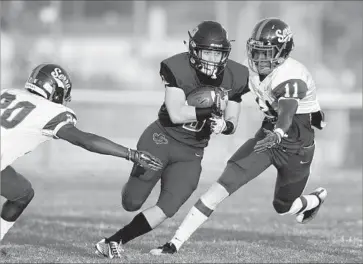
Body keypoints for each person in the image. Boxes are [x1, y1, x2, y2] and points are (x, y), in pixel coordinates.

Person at [150, 17, 328, 255]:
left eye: (267, 53)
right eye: (256, 51)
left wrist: (280, 131)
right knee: (222, 185)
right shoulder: (250, 69)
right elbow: (225, 84)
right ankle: (174, 244)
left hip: (296, 146)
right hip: (266, 138)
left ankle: (313, 200)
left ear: (283, 52)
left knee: (283, 207)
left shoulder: (292, 75)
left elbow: (287, 110)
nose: (260, 59)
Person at [95, 20, 250, 259]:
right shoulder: (178, 67)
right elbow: (176, 113)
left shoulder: (236, 74)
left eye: (217, 54)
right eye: (207, 52)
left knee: (169, 207)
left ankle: (113, 241)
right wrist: (209, 111)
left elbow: (233, 120)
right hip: (161, 139)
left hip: (192, 151)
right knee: (132, 203)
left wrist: (225, 125)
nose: (212, 59)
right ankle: (132, 187)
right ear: (194, 51)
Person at [0, 63, 163, 242]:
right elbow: (86, 141)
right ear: (56, 91)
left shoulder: (8, 93)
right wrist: (131, 154)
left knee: (22, 193)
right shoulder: (50, 111)